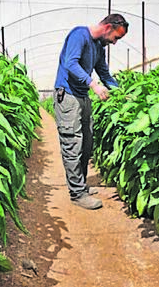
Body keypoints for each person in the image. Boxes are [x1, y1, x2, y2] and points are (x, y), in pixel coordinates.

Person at [53, 13, 128, 210]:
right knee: (72, 143)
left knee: (86, 143)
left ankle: (82, 186)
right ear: (108, 28)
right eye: (116, 38)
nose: (115, 43)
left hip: (83, 97)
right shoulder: (80, 35)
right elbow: (70, 63)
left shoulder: (98, 47)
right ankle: (77, 194)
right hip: (68, 95)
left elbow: (104, 73)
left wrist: (124, 95)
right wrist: (93, 85)